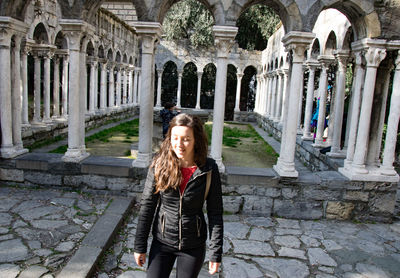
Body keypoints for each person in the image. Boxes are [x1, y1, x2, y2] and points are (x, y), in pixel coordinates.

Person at [134, 113, 223, 278]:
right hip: (162, 242)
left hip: (193, 245)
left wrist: (215, 252)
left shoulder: (209, 169)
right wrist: (140, 245)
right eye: (175, 138)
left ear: (196, 139)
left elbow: (215, 212)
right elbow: (147, 205)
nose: (179, 144)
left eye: (186, 139)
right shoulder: (159, 164)